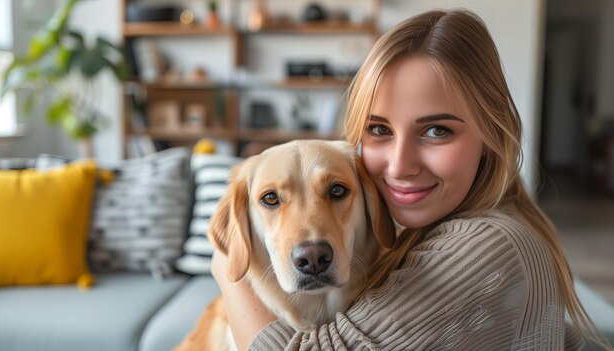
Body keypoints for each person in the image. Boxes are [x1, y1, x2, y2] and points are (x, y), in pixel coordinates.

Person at [212, 9, 611, 350]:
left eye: (437, 131)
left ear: (491, 137)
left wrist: (228, 273)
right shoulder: (430, 236)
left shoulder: (488, 246)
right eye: (380, 129)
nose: (400, 166)